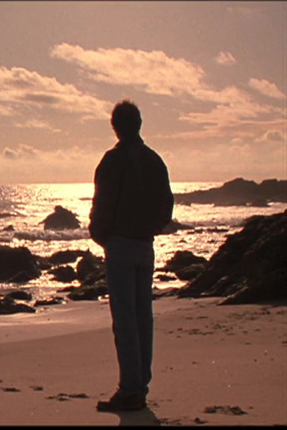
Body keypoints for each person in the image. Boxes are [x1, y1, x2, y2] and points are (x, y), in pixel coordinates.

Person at [88, 100, 174, 412]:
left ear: (116, 127)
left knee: (125, 319)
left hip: (121, 244)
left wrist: (101, 234)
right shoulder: (154, 160)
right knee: (142, 317)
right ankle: (139, 386)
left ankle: (130, 389)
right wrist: (152, 228)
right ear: (139, 124)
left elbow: (103, 204)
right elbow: (166, 205)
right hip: (144, 243)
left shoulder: (113, 161)